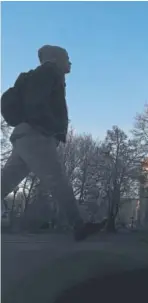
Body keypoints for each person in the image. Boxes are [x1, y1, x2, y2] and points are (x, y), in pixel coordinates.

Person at [1, 45, 106, 241]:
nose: (70, 62)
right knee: (56, 178)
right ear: (56, 59)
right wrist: (50, 126)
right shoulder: (49, 72)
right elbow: (36, 103)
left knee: (5, 182)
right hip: (36, 135)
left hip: (25, 135)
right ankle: (79, 225)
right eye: (67, 57)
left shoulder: (41, 75)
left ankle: (79, 224)